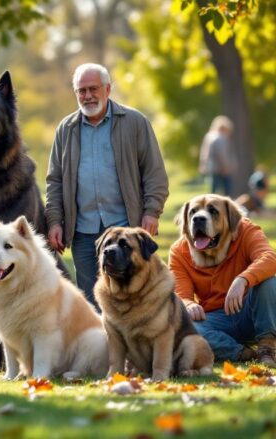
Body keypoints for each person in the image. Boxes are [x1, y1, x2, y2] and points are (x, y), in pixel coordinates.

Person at [45, 63, 169, 308]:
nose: (87, 96)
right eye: (81, 90)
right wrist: (55, 221)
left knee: (136, 298)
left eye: (93, 89)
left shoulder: (134, 122)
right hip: (83, 232)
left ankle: (136, 345)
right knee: (92, 301)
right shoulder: (65, 129)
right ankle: (100, 347)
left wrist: (151, 212)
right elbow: (55, 181)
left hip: (127, 227)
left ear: (108, 89)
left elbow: (154, 173)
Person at [169, 197, 276, 367]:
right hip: (215, 321)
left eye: (213, 212)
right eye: (193, 213)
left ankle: (267, 346)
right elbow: (181, 294)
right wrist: (189, 304)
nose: (199, 218)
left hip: (251, 312)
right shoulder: (178, 252)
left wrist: (243, 280)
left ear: (231, 220)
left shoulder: (246, 230)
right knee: (184, 327)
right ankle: (241, 353)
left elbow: (270, 259)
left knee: (269, 281)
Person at [198, 115, 236, 196]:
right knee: (227, 194)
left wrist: (202, 165)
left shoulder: (209, 136)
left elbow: (203, 153)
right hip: (220, 170)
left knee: (212, 192)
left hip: (211, 169)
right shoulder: (220, 138)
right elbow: (221, 154)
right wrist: (225, 167)